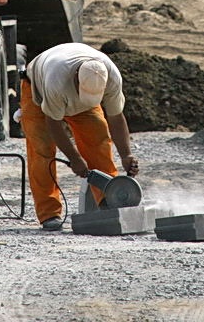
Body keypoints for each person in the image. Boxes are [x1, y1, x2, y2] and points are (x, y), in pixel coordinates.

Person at [18, 42, 139, 231]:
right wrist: (75, 159)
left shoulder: (110, 76)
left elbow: (116, 117)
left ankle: (109, 201)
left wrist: (126, 155)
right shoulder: (56, 80)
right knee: (42, 150)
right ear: (76, 79)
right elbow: (53, 124)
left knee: (98, 139)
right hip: (37, 91)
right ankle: (49, 213)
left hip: (75, 97)